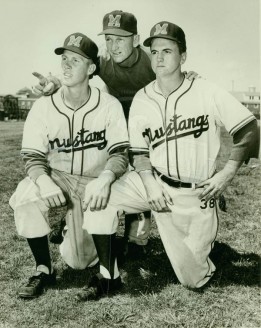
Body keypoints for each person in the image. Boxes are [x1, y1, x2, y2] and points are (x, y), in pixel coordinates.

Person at [80, 20, 259, 298]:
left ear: (183, 57)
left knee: (193, 280)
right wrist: (149, 183)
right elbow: (139, 153)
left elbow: (249, 129)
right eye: (155, 51)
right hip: (155, 185)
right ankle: (108, 276)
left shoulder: (206, 90)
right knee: (97, 196)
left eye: (167, 51)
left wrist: (226, 174)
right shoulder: (142, 97)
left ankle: (201, 250)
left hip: (194, 194)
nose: (159, 57)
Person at [32, 10, 199, 257]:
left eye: (120, 38)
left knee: (145, 171)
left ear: (136, 38)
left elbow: (175, 75)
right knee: (101, 168)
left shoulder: (149, 61)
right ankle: (74, 221)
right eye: (108, 38)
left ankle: (137, 240)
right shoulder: (102, 59)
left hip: (146, 119)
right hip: (116, 118)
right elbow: (78, 67)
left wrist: (190, 78)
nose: (113, 45)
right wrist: (55, 82)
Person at [9, 32, 129, 298]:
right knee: (26, 197)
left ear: (91, 68)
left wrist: (105, 179)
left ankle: (82, 233)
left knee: (79, 262)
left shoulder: (108, 105)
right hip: (59, 177)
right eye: (64, 58)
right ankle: (43, 269)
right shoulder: (43, 106)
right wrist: (43, 181)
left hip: (94, 182)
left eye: (75, 60)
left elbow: (120, 153)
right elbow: (32, 156)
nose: (66, 65)